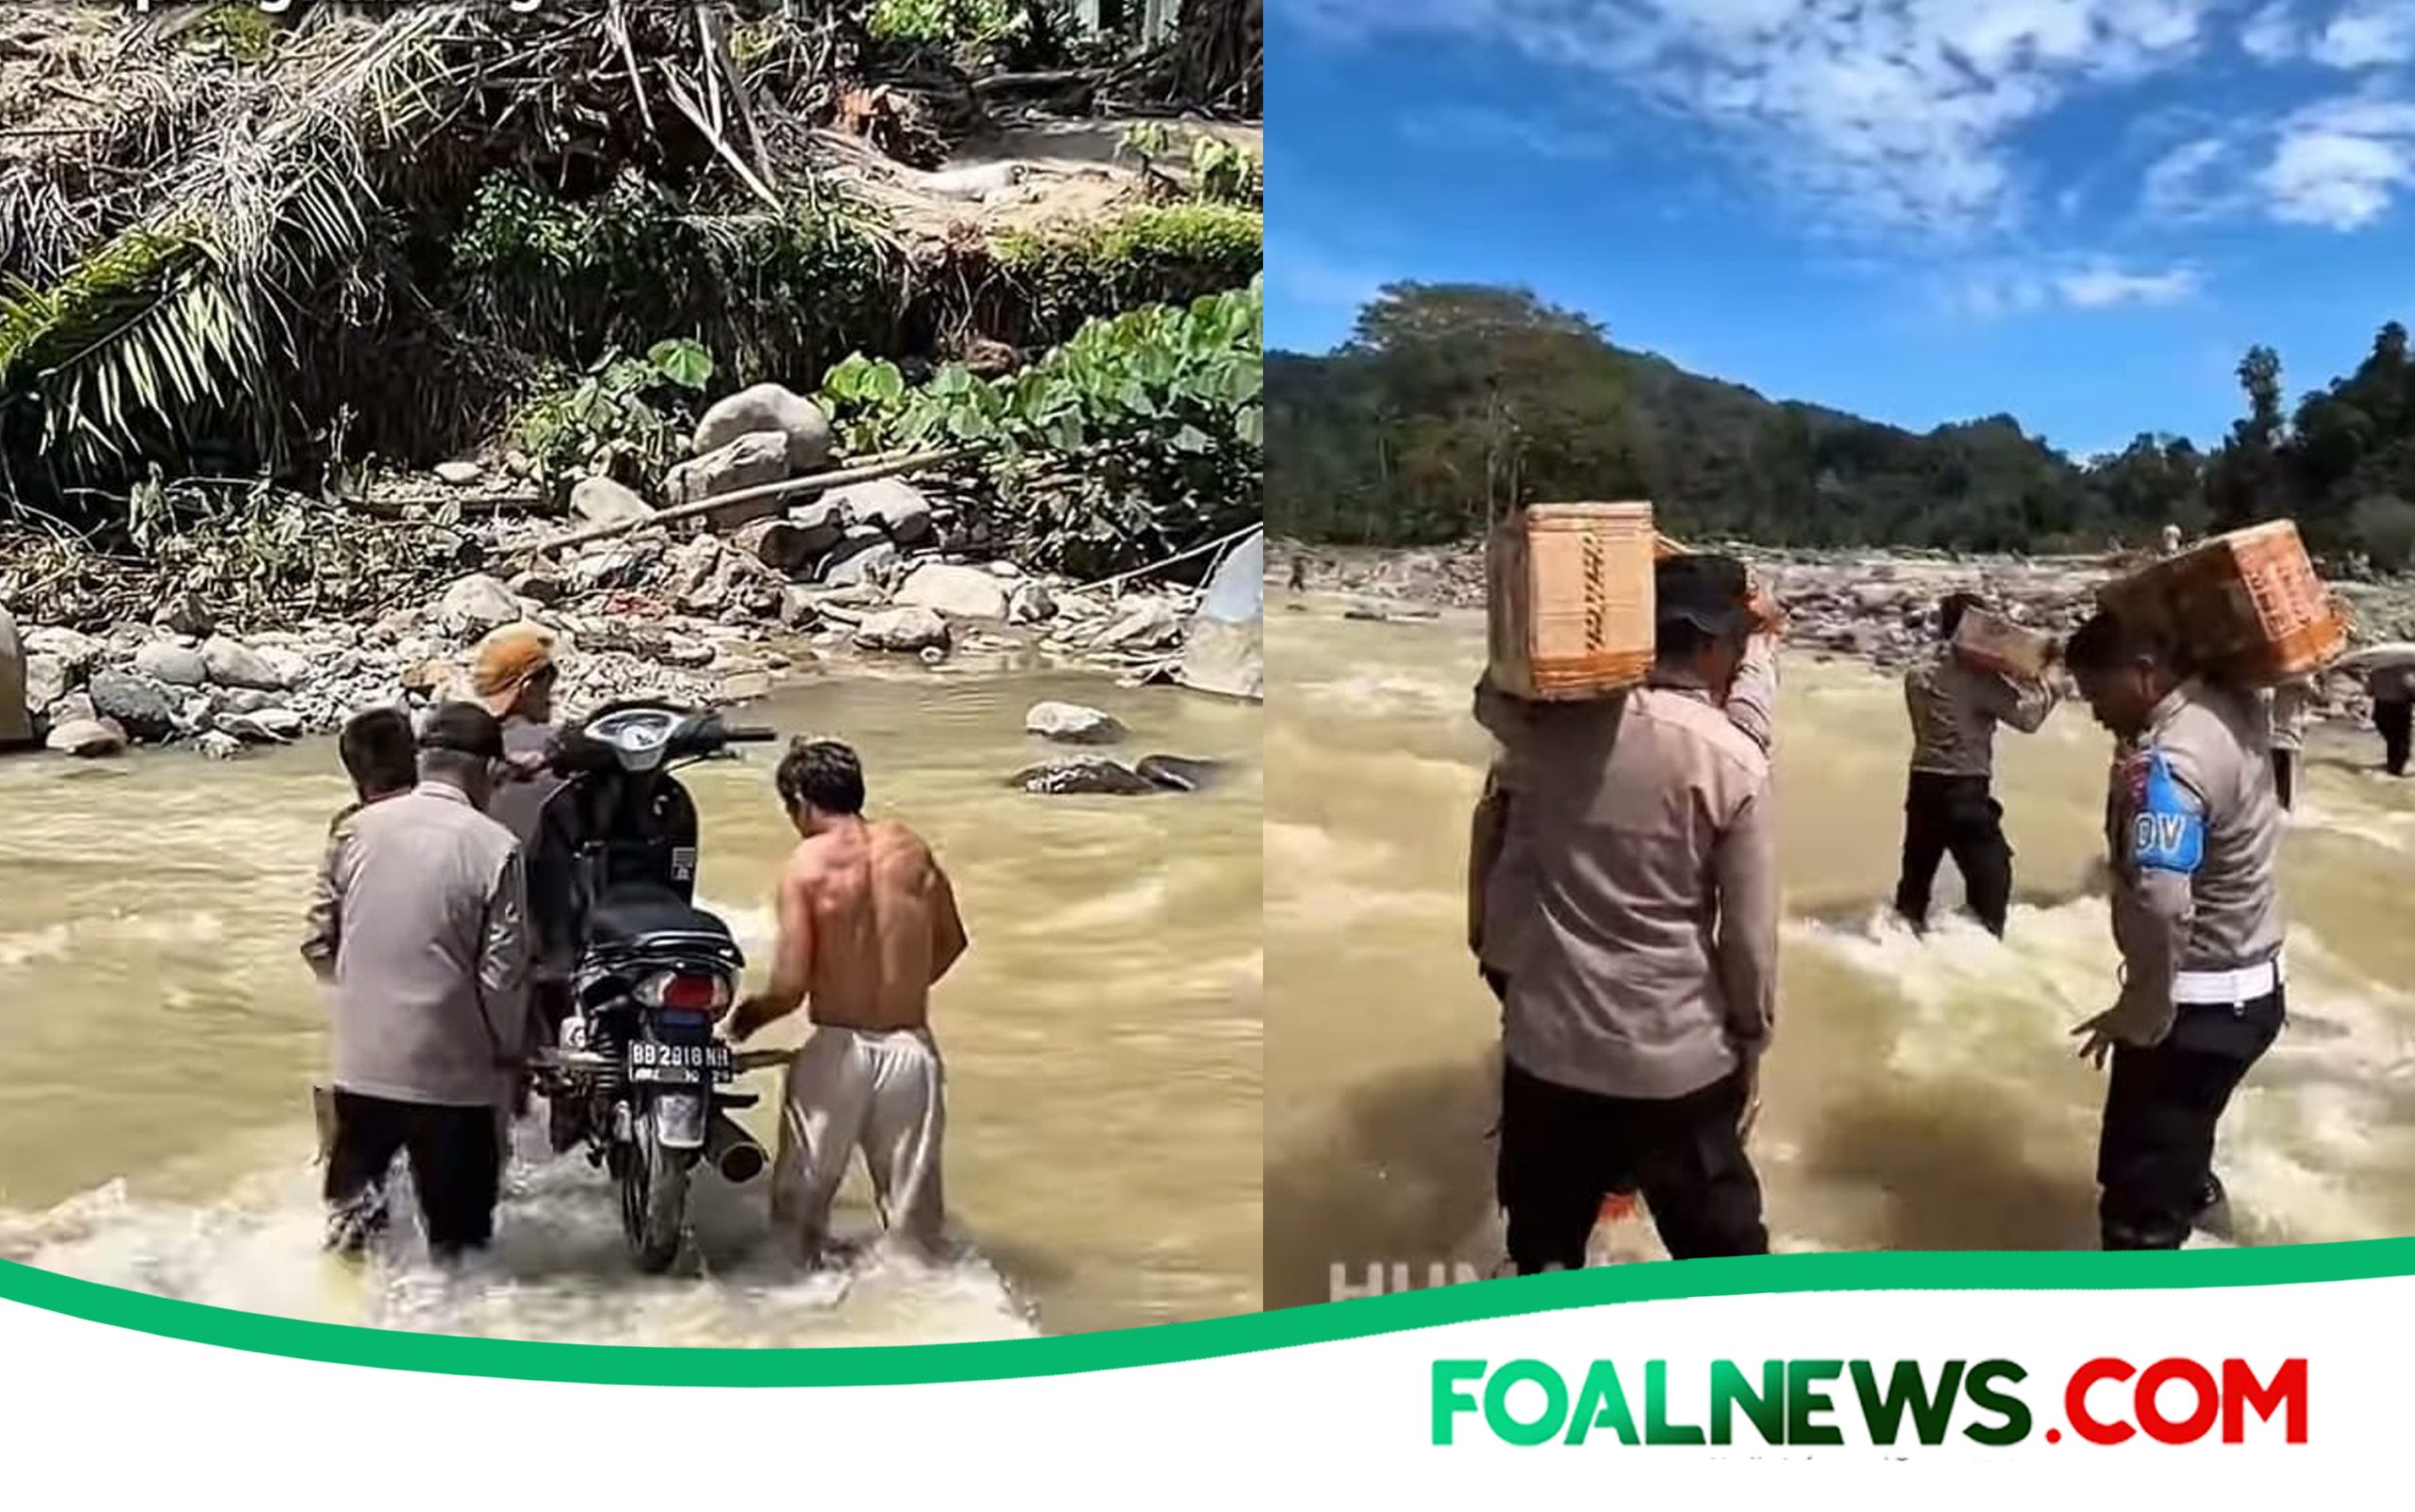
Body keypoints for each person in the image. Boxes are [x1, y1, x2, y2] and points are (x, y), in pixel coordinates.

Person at [1470, 555, 1778, 1272]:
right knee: (1728, 1275)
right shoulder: (1732, 760)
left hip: (1547, 1052)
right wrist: (1750, 1041)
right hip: (1676, 1064)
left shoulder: (1543, 735)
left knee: (1542, 1259)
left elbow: (1493, 700)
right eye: (1734, 644)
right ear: (1708, 646)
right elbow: (1749, 939)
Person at [2063, 612, 2285, 1251]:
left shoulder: (2173, 762)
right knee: (2180, 1159)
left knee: (2137, 1217)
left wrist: (2144, 1008)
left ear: (2144, 673)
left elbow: (2163, 900)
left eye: (2097, 692)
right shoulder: (2234, 701)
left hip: (2196, 1012)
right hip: (2253, 993)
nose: (2096, 713)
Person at [724, 739, 968, 1264]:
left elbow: (790, 987)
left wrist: (746, 1019)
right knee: (916, 1233)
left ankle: (800, 1323)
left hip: (838, 1052)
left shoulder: (807, 866)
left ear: (801, 801)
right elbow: (952, 942)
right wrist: (898, 988)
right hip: (911, 1053)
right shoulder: (912, 849)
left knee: (797, 1222)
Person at [304, 702, 530, 1262]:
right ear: (486, 770)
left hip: (361, 1072)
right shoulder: (496, 847)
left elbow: (316, 942)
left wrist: (364, 1000)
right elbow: (501, 979)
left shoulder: (354, 830)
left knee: (350, 1242)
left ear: (425, 760)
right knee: (460, 1256)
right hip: (454, 1083)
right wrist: (509, 1053)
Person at [1892, 592, 2058, 939]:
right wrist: (2049, 688)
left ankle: (1901, 942)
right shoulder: (1981, 683)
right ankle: (1980, 949)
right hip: (1964, 790)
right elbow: (2027, 720)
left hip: (1922, 784)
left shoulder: (1917, 676)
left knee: (1915, 882)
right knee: (1992, 879)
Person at [468, 624, 573, 1055]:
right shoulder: (564, 751)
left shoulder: (458, 756)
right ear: (528, 686)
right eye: (550, 687)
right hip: (558, 943)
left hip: (481, 948)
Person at [2266, 673, 2315, 812]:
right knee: (2283, 782)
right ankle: (2283, 811)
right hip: (2282, 735)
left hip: (2283, 735)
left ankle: (2281, 811)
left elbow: (2310, 692)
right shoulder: (2297, 677)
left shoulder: (2273, 677)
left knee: (2280, 781)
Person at [2368, 661, 2415, 777]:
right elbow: (2410, 687)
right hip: (2399, 704)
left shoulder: (2376, 668)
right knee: (2400, 737)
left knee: (2393, 736)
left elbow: (2369, 690)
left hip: (2382, 703)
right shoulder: (2405, 668)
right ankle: (2396, 767)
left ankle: (2395, 765)